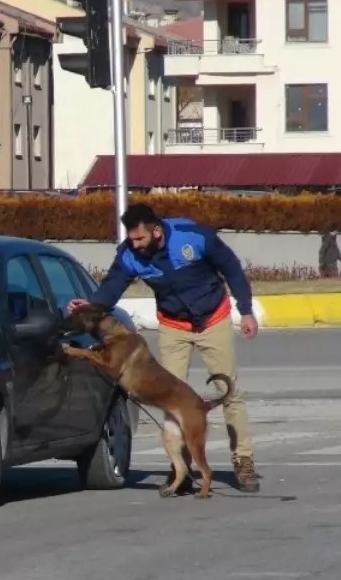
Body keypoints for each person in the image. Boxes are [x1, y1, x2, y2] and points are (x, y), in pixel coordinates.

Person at [67, 203, 261, 493]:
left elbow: (231, 267)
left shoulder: (192, 236)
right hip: (173, 325)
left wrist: (245, 310)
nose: (134, 244)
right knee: (171, 395)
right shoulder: (129, 254)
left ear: (157, 231)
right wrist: (91, 307)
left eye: (139, 238)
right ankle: (180, 469)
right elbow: (112, 286)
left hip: (213, 318)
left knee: (229, 392)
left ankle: (243, 461)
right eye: (131, 239)